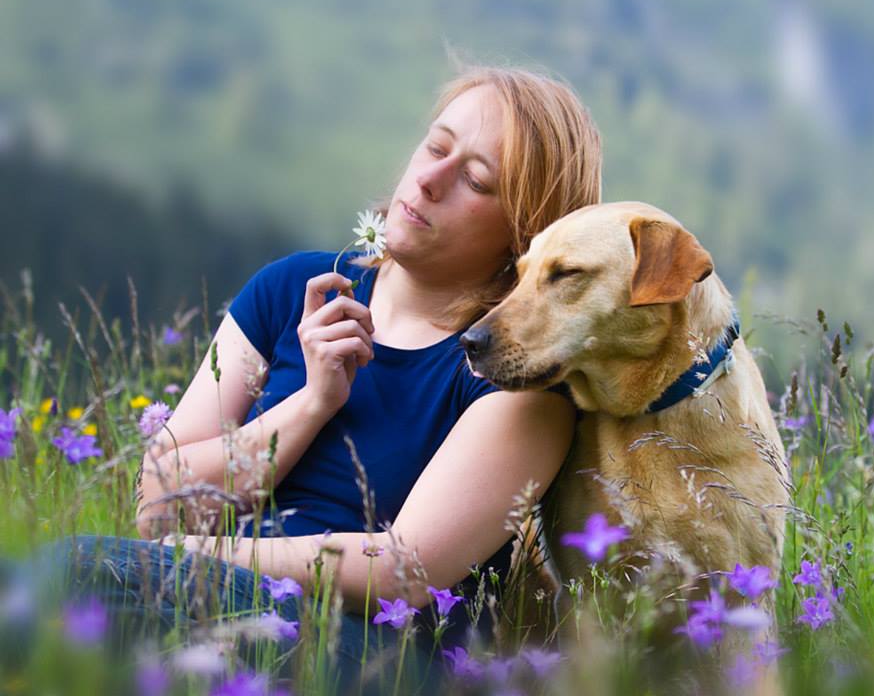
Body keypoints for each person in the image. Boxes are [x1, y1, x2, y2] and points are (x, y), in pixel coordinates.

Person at [18, 66, 603, 686]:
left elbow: (405, 570)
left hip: (367, 653)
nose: (429, 181)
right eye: (434, 147)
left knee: (76, 574)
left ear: (527, 235)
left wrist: (209, 555)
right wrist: (309, 404)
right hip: (194, 596)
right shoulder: (290, 288)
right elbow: (158, 507)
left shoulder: (514, 379)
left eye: (476, 181)